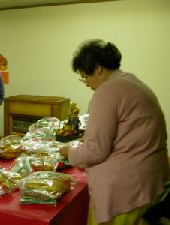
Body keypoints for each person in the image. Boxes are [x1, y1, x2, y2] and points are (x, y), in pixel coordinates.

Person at [59, 39, 169, 225]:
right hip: (150, 179)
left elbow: (96, 151)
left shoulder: (107, 91)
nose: (85, 82)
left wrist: (69, 152)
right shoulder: (130, 81)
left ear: (99, 68)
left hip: (127, 189)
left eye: (85, 76)